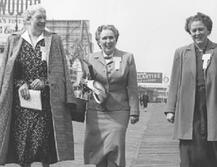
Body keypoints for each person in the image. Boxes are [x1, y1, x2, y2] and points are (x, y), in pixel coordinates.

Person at [0, 5, 75, 167]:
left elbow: (60, 71)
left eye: (44, 17)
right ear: (28, 20)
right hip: (21, 103)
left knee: (43, 143)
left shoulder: (53, 40)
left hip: (45, 102)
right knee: (23, 142)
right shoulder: (14, 39)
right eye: (38, 17)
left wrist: (45, 82)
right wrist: (20, 84)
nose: (43, 20)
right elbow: (7, 72)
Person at [83, 25, 139, 167]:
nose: (108, 41)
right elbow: (85, 81)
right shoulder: (90, 58)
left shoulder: (127, 58)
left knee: (116, 147)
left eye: (111, 37)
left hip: (119, 110)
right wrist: (87, 83)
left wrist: (135, 111)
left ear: (116, 39)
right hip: (96, 111)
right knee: (98, 150)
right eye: (104, 38)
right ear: (99, 41)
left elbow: (132, 86)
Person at [165, 12, 217, 167]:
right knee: (188, 149)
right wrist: (170, 109)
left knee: (211, 146)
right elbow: (174, 82)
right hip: (189, 107)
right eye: (193, 30)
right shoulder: (181, 53)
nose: (197, 33)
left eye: (201, 29)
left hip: (212, 105)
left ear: (208, 30)